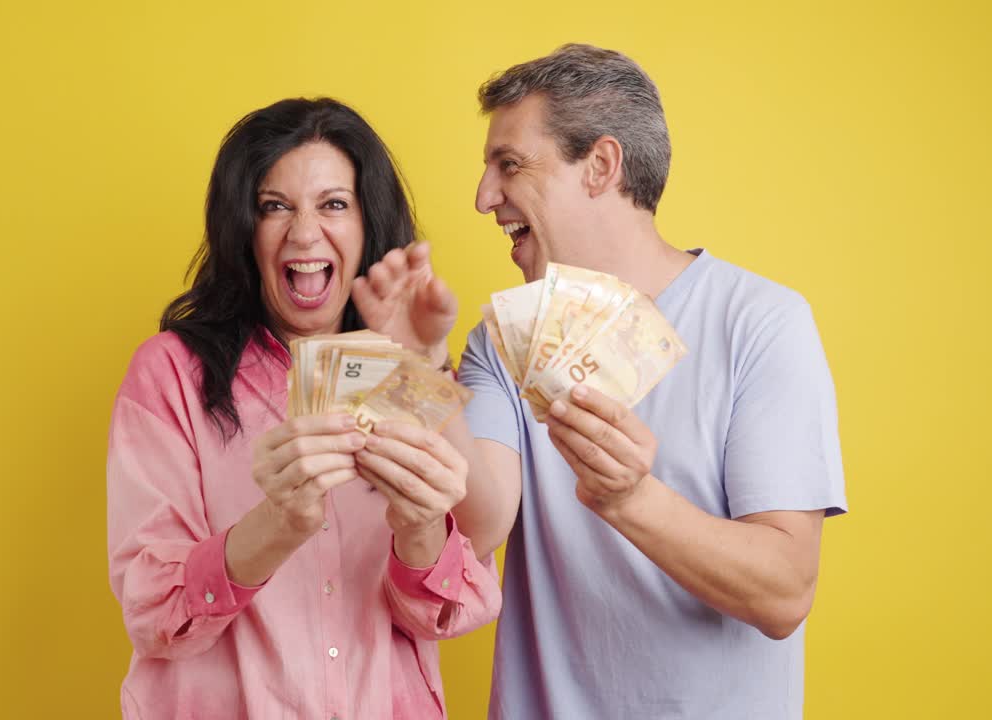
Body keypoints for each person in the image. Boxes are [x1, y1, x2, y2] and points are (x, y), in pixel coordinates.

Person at [359, 44, 847, 719]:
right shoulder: (501, 341)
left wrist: (630, 500)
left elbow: (785, 592)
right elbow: (480, 522)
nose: (483, 198)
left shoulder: (761, 324)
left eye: (510, 166)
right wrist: (417, 370)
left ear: (601, 166)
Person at [105, 97, 500, 720]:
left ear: (368, 223)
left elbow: (453, 609)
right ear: (244, 227)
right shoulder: (170, 373)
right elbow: (152, 612)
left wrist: (421, 527)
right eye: (274, 207)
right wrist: (279, 524)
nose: (305, 232)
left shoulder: (400, 367)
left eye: (333, 204)